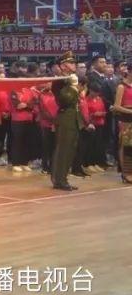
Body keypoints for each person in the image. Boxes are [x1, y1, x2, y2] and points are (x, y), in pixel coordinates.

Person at [52, 51, 84, 191]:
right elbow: (65, 100)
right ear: (63, 66)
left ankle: (63, 178)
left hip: (73, 117)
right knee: (63, 150)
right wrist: (74, 88)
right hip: (65, 117)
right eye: (71, 63)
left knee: (70, 149)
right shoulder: (60, 81)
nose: (74, 65)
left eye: (74, 62)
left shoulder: (70, 79)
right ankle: (59, 180)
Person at [110, 67, 132, 184]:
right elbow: (117, 106)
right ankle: (126, 173)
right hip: (125, 119)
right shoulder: (121, 86)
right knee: (125, 146)